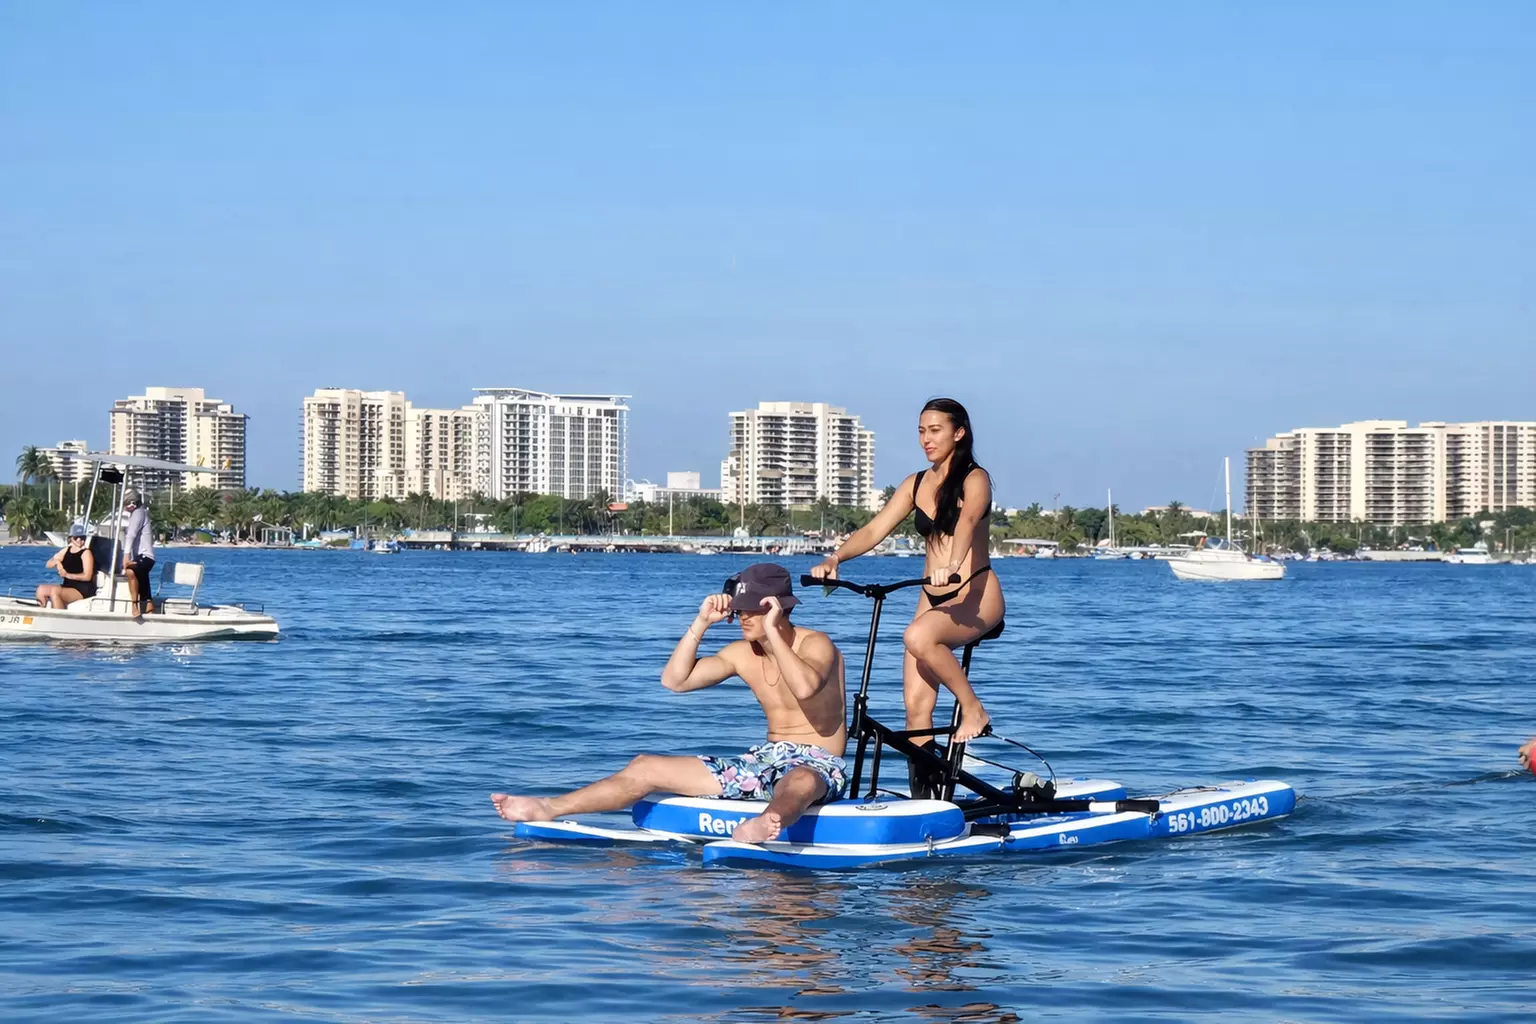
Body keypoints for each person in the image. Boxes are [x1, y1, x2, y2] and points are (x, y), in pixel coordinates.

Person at [491, 563, 848, 844]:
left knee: (798, 779)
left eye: (751, 610)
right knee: (646, 766)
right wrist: (701, 623)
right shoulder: (741, 653)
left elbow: (804, 688)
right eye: (739, 611)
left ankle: (768, 822)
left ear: (776, 608)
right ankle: (548, 807)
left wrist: (772, 629)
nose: (742, 618)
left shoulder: (817, 644)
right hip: (762, 760)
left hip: (819, 762)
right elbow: (675, 681)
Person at [810, 397, 1004, 753]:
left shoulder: (976, 479)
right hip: (931, 596)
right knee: (915, 710)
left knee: (917, 636)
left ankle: (973, 709)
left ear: (958, 433)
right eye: (921, 431)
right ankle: (927, 797)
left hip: (974, 594)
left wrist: (953, 564)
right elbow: (874, 530)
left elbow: (966, 523)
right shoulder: (915, 484)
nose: (926, 439)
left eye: (935, 431)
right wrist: (835, 558)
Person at [36, 523, 97, 609]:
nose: (79, 540)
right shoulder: (66, 550)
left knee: (55, 592)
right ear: (71, 538)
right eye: (76, 537)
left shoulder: (86, 553)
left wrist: (67, 575)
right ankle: (42, 612)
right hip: (68, 586)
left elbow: (87, 576)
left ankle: (57, 618)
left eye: (82, 538)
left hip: (82, 589)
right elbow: (48, 564)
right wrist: (58, 563)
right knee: (41, 589)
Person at [121, 488, 156, 615]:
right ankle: (149, 604)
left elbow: (131, 535)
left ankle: (135, 606)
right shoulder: (137, 514)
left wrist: (126, 556)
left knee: (130, 571)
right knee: (139, 574)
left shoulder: (139, 513)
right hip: (140, 557)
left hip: (146, 556)